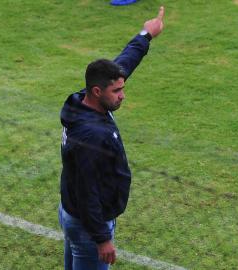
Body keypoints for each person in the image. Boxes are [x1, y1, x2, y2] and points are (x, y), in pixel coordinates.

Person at [58, 6, 165, 270]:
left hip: (72, 212)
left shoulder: (83, 101)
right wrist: (102, 239)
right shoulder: (93, 135)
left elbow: (123, 63)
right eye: (117, 90)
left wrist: (146, 34)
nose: (122, 95)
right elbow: (87, 191)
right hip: (87, 225)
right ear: (97, 91)